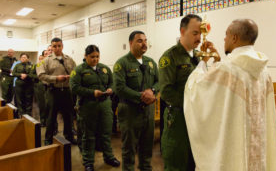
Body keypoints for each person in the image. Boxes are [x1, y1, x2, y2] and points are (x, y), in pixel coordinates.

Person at [184, 19, 276, 170]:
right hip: (258, 146)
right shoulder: (264, 71)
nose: (224, 38)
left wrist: (203, 62)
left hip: (236, 144)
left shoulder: (228, 68)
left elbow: (196, 89)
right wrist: (218, 61)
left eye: (226, 34)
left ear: (234, 38)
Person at [159, 14, 215, 171]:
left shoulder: (197, 57)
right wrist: (191, 103)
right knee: (177, 161)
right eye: (195, 33)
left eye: (200, 33)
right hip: (178, 119)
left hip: (197, 118)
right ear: (182, 31)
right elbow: (166, 91)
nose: (199, 38)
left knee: (194, 161)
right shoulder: (170, 57)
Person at [113, 31, 159, 171]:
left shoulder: (150, 62)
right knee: (129, 149)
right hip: (129, 112)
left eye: (145, 40)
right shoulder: (122, 63)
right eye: (140, 41)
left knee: (147, 147)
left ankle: (146, 168)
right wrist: (142, 96)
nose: (144, 43)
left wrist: (153, 91)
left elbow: (159, 81)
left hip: (148, 112)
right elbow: (119, 88)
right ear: (131, 43)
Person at [70, 45, 120, 171]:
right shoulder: (79, 70)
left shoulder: (104, 68)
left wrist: (110, 89)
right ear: (85, 56)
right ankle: (88, 162)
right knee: (88, 135)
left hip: (105, 106)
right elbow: (74, 87)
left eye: (97, 56)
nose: (95, 59)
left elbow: (112, 82)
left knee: (106, 133)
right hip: (87, 107)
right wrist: (92, 93)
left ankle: (108, 157)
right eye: (92, 57)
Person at [36, 37, 76, 145]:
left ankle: (69, 137)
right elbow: (41, 75)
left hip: (67, 91)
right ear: (51, 47)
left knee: (68, 116)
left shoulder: (69, 59)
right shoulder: (45, 61)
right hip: (53, 91)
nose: (57, 48)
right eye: (54, 46)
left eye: (59, 46)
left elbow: (75, 72)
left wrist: (71, 77)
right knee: (51, 117)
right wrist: (56, 79)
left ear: (62, 46)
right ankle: (48, 139)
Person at [31, 55, 47, 126]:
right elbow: (31, 74)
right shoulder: (35, 66)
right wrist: (39, 77)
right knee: (42, 104)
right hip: (39, 86)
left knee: (48, 105)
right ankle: (43, 120)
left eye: (42, 59)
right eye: (40, 59)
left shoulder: (47, 65)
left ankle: (49, 122)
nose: (41, 60)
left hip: (47, 86)